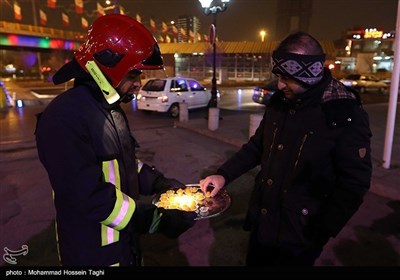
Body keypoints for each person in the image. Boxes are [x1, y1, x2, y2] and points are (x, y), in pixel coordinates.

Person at [35, 14, 196, 266]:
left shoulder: (108, 108)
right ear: (107, 68)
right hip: (92, 254)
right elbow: (86, 194)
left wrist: (159, 182)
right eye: (133, 75)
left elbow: (123, 163)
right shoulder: (64, 118)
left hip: (125, 245)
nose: (138, 84)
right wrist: (152, 219)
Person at [200, 31, 372, 266]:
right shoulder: (281, 102)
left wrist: (319, 233)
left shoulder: (342, 113)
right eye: (279, 76)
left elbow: (354, 183)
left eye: (287, 78)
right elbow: (258, 146)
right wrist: (224, 174)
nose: (280, 85)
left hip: (300, 237)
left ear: (308, 74)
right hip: (263, 223)